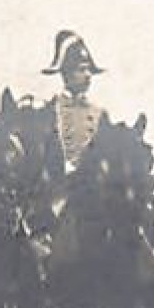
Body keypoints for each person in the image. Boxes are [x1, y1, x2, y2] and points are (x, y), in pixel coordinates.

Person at [42, 30, 110, 201]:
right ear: (66, 73)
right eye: (81, 70)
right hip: (56, 194)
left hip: (94, 195)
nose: (87, 76)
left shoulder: (99, 114)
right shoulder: (49, 111)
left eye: (89, 70)